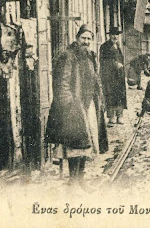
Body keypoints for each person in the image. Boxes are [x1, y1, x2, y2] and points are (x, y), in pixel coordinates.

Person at [45, 24, 108, 190]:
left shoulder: (91, 56)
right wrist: (68, 104)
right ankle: (73, 182)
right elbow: (62, 82)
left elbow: (96, 80)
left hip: (89, 106)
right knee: (74, 145)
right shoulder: (68, 56)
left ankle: (81, 179)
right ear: (77, 38)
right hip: (74, 106)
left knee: (86, 144)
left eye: (89, 39)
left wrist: (99, 99)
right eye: (83, 38)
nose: (86, 42)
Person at [100, 26, 126, 125]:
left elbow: (120, 59)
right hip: (109, 75)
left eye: (116, 35)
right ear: (109, 35)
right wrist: (115, 64)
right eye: (113, 34)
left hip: (119, 76)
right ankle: (111, 116)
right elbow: (103, 61)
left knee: (120, 94)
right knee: (110, 94)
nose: (115, 36)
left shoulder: (118, 46)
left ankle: (120, 116)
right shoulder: (104, 46)